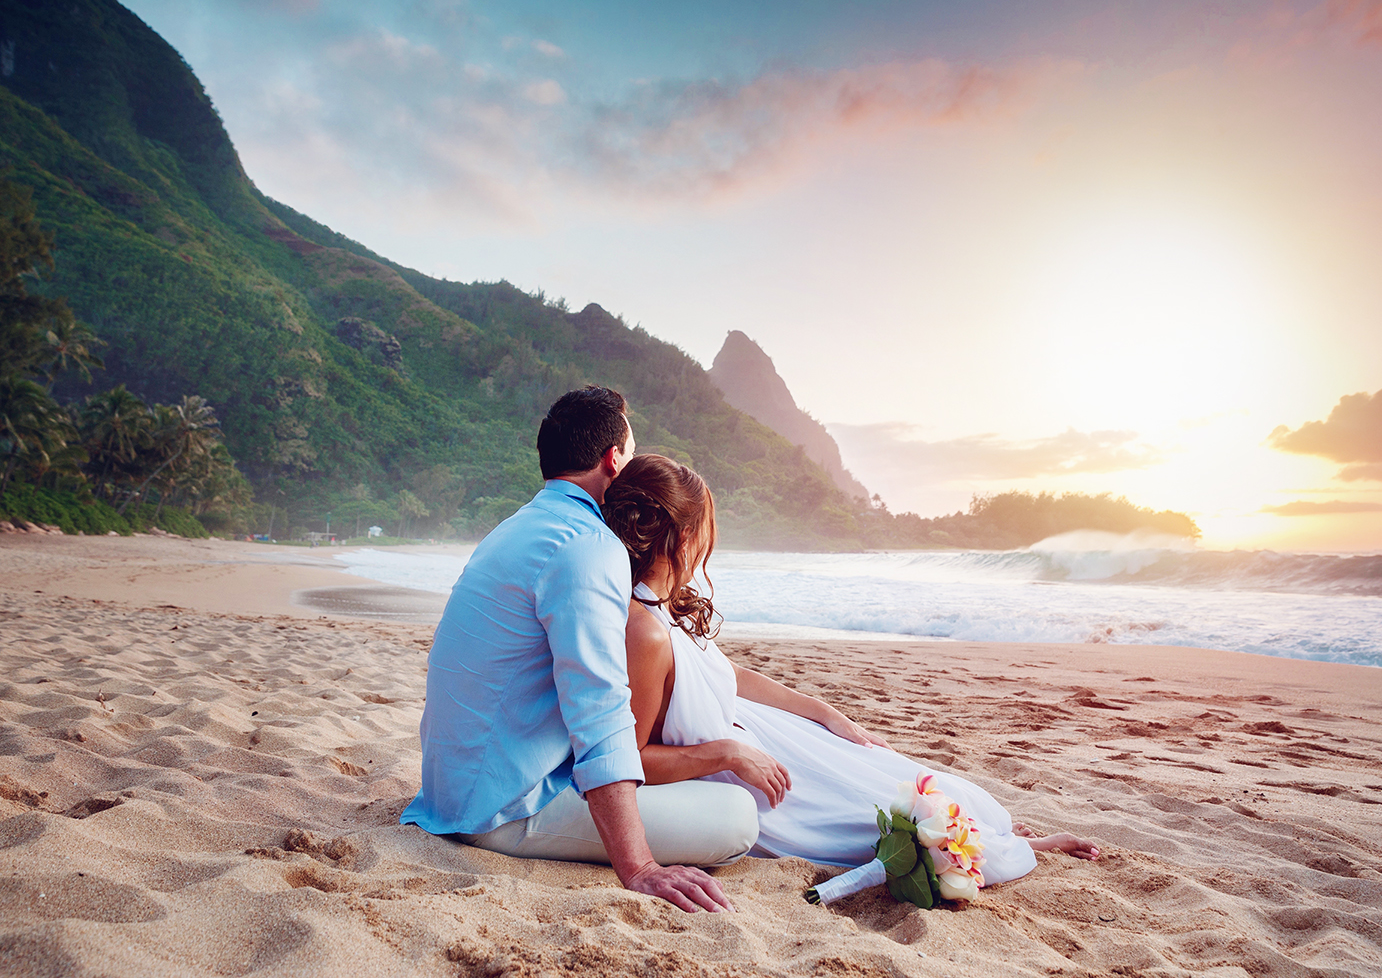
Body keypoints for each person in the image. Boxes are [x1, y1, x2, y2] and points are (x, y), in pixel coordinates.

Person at [600, 453, 1100, 882]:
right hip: (736, 771)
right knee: (887, 823)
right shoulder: (643, 631)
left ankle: (994, 831)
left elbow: (729, 676)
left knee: (895, 775)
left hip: (764, 738)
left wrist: (824, 713)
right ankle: (1006, 844)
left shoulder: (665, 606)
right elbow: (631, 759)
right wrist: (728, 753)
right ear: (685, 534)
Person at [400, 388, 758, 914]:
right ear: (613, 460)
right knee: (739, 817)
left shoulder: (518, 526)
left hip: (450, 788)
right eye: (632, 453)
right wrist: (639, 867)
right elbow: (598, 708)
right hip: (504, 808)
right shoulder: (588, 545)